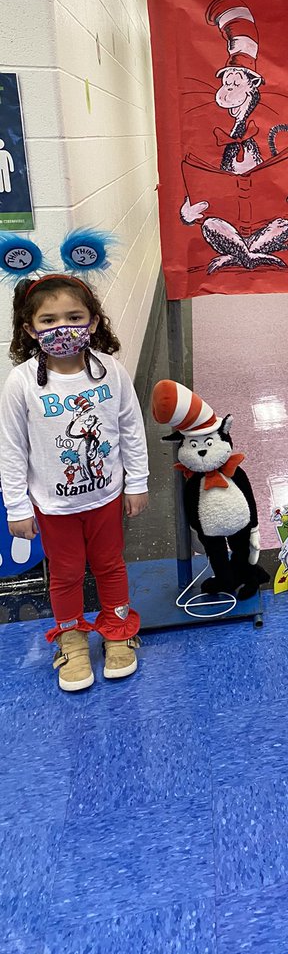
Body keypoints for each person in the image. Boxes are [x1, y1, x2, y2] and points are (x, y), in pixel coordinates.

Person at [0, 274, 149, 691]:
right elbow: (12, 448)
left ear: (94, 322)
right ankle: (72, 639)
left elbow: (131, 428)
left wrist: (137, 481)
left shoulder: (110, 372)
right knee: (65, 575)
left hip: (105, 495)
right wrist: (17, 505)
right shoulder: (22, 382)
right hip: (53, 505)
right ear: (29, 329)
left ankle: (118, 632)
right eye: (48, 320)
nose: (62, 328)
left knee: (110, 566)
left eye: (74, 316)